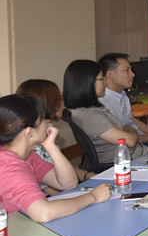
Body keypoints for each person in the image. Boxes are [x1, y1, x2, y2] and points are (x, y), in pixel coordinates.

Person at [0, 94, 111, 223]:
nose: (48, 123)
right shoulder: (10, 167)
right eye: (42, 119)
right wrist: (92, 197)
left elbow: (68, 183)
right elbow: (43, 213)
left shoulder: (27, 156)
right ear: (28, 132)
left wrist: (50, 146)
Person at [63, 59, 148, 166]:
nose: (105, 83)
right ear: (88, 83)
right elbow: (130, 141)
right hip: (126, 162)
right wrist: (131, 130)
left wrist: (127, 130)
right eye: (102, 79)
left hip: (131, 156)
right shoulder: (90, 115)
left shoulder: (85, 110)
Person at [16, 79, 97, 185]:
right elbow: (47, 187)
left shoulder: (46, 132)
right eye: (58, 99)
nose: (63, 103)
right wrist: (89, 193)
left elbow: (60, 168)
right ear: (45, 104)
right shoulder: (31, 142)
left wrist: (89, 176)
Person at [98, 53, 148, 146]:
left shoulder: (122, 95)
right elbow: (123, 138)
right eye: (127, 70)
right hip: (135, 147)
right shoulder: (104, 102)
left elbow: (131, 120)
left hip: (142, 139)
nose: (133, 74)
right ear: (110, 75)